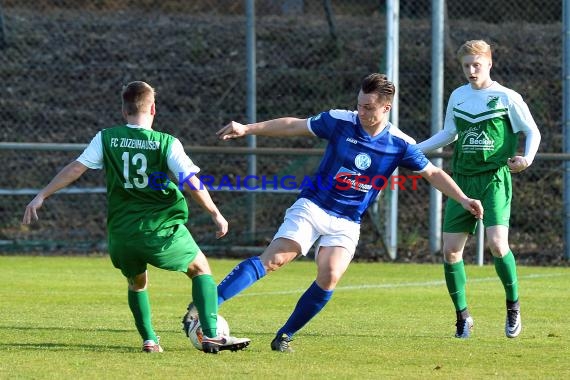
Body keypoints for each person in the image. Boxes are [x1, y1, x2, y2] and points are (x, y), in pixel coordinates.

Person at [183, 73, 484, 352]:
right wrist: (248, 128)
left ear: (386, 108)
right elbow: (295, 125)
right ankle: (204, 306)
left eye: (368, 108)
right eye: (359, 105)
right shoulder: (341, 121)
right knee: (275, 259)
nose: (362, 112)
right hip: (313, 206)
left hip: (347, 221)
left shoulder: (399, 143)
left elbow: (432, 173)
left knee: (330, 275)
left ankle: (284, 336)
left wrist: (462, 198)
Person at [22, 81, 250, 354]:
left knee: (137, 283)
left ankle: (150, 340)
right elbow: (190, 182)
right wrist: (216, 213)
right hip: (159, 229)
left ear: (124, 110)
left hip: (122, 233)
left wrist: (42, 195)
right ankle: (211, 334)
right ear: (153, 108)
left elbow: (75, 168)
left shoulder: (105, 138)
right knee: (200, 269)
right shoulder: (166, 143)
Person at [416, 40, 541, 339]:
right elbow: (449, 133)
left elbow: (531, 130)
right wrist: (411, 150)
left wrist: (526, 158)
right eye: (466, 65)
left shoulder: (507, 97)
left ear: (489, 64)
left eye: (477, 65)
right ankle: (463, 318)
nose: (471, 71)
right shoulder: (458, 96)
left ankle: (513, 307)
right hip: (462, 179)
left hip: (494, 178)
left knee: (498, 245)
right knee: (450, 252)